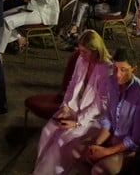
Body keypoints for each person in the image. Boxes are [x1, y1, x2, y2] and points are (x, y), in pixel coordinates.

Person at [34, 30, 113, 174]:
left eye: (85, 52)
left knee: (61, 141)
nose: (81, 55)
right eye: (80, 50)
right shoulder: (81, 59)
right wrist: (65, 106)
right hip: (74, 107)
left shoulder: (107, 69)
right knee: (47, 131)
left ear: (96, 50)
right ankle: (40, 169)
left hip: (92, 118)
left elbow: (100, 104)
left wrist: (77, 121)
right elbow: (72, 84)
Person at [73, 47, 140, 175]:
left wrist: (105, 152)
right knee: (78, 152)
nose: (117, 74)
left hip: (131, 149)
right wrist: (97, 144)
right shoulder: (111, 82)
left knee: (100, 169)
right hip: (112, 138)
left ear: (134, 69)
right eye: (115, 68)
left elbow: (135, 139)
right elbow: (108, 118)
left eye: (123, 70)